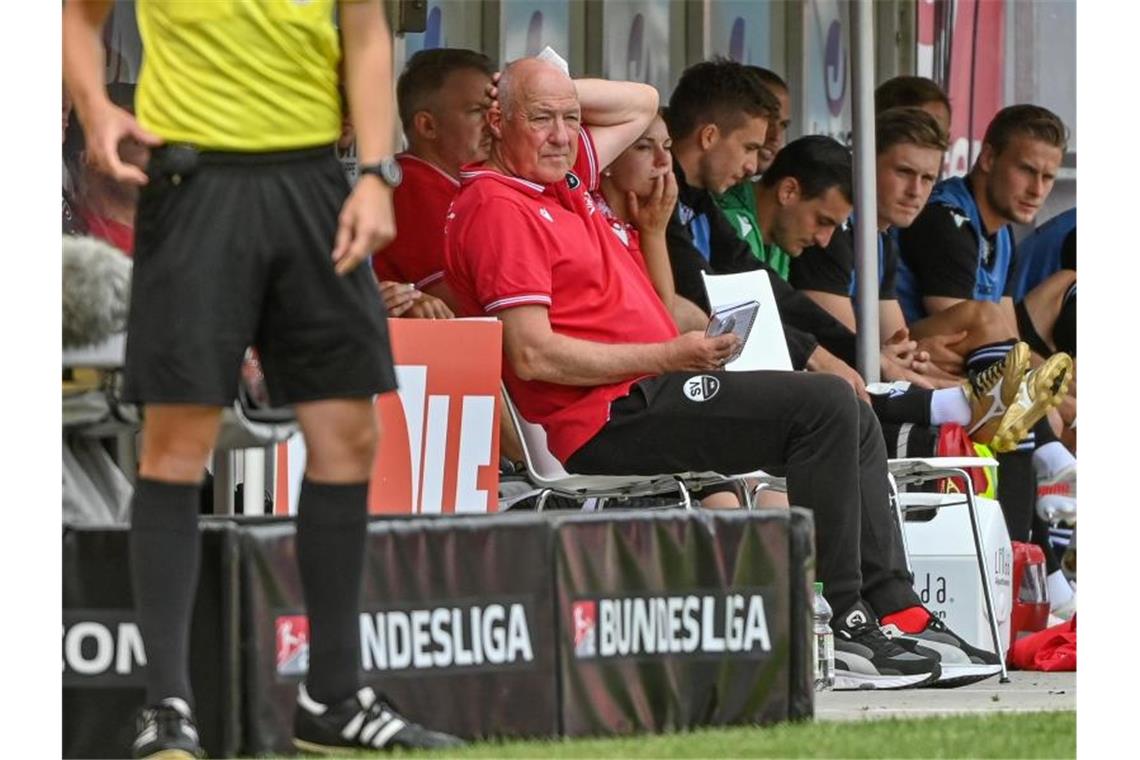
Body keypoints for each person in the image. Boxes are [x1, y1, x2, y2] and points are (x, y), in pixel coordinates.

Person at [445, 56, 1003, 690]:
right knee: (823, 407)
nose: (560, 135)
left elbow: (641, 99)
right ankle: (837, 621)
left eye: (570, 119)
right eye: (539, 119)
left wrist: (542, 92)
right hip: (605, 417)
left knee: (848, 406)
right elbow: (532, 355)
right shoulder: (498, 205)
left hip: (649, 389)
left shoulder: (561, 180)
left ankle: (893, 607)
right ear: (498, 121)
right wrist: (668, 355)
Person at [63, 2, 460, 756]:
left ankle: (333, 698)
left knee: (348, 435)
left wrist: (376, 173)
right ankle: (166, 711)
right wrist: (95, 110)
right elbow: (76, 17)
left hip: (312, 179)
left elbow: (367, 30)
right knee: (177, 443)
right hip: (193, 182)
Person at [663, 59, 868, 399]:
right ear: (710, 136)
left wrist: (856, 350)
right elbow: (709, 293)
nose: (752, 166)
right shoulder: (654, 190)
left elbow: (757, 281)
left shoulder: (700, 198)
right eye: (749, 148)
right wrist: (811, 354)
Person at [371, 47, 497, 319]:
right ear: (427, 126)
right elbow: (461, 301)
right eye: (477, 111)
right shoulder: (410, 185)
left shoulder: (465, 186)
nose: (493, 123)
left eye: (496, 111)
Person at [714, 66, 794, 278]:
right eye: (768, 120)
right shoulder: (708, 200)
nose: (776, 136)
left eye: (784, 125)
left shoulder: (783, 222)